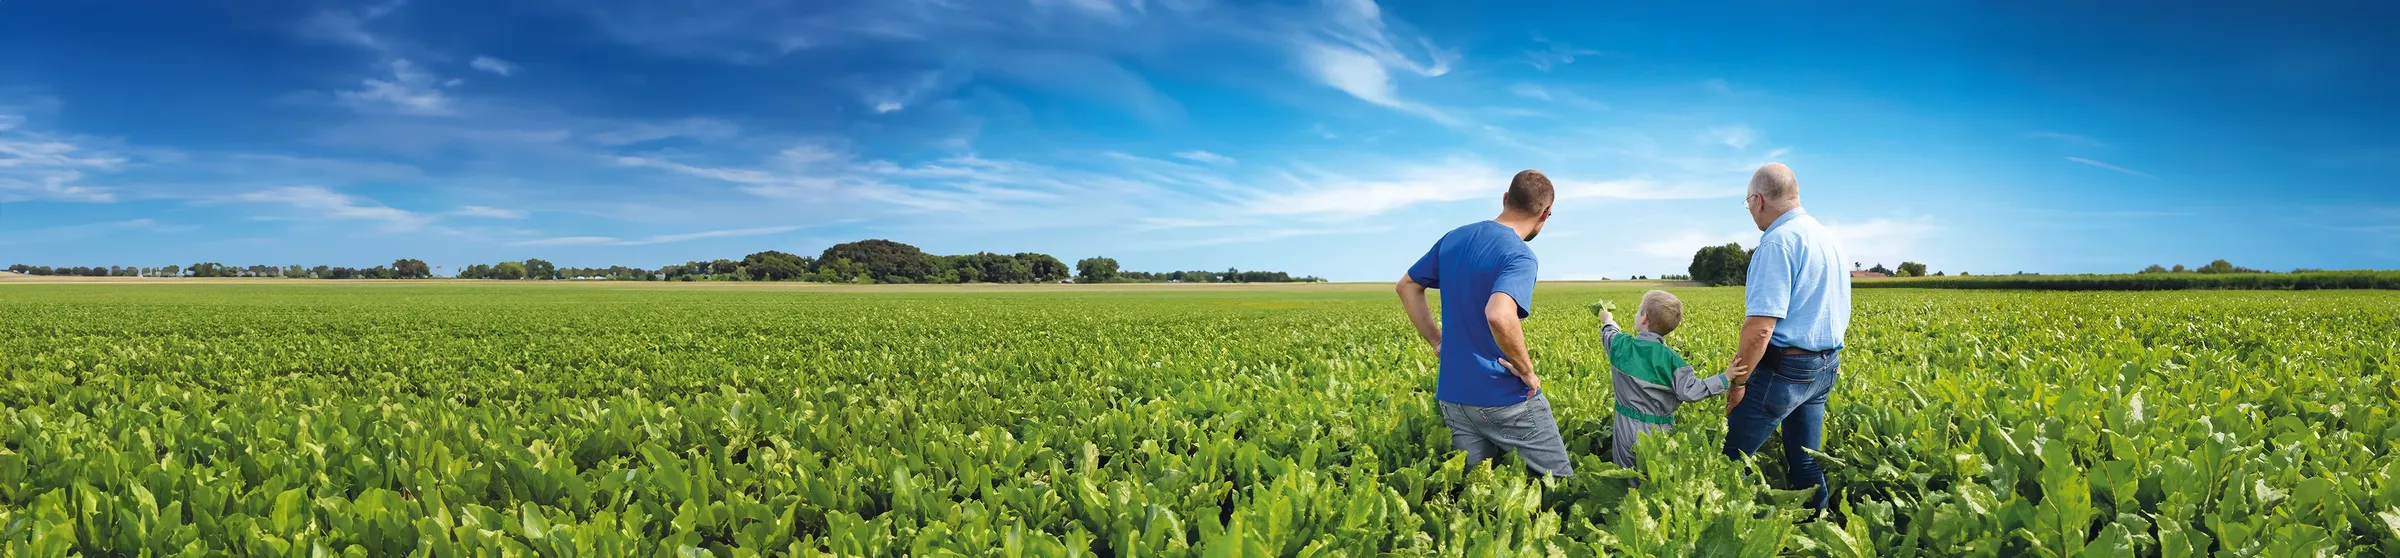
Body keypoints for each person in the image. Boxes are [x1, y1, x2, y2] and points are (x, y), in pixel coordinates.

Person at [1394, 169, 1569, 476]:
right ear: (1546, 213)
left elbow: (1406, 286)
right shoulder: (1519, 255)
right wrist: (1527, 372)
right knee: (1560, 485)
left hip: (1454, 396)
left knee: (1476, 490)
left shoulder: (1454, 238)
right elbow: (1499, 315)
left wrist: (1438, 341)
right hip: (1504, 396)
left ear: (1505, 199)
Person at [1720, 163, 1851, 511]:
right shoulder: (1827, 237)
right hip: (1825, 366)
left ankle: (1734, 531)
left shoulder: (1777, 243)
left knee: (1730, 460)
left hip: (1785, 370)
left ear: (1759, 200)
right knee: (1806, 460)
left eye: (1747, 203)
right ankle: (1820, 532)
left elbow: (1760, 327)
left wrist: (1738, 382)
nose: (1749, 210)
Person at [1595, 290, 1732, 469]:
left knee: (1625, 476)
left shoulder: (1622, 345)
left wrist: (1608, 319)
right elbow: (1691, 391)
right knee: (1655, 478)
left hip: (1624, 426)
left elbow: (1609, 333)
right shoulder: (1673, 361)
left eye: (1638, 311)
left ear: (1644, 318)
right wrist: (1725, 377)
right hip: (1658, 429)